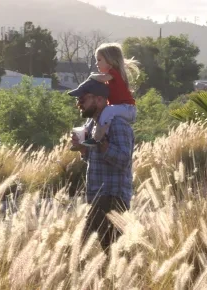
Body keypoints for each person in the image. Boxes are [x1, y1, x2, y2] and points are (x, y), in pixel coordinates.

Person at [68, 76, 135, 251]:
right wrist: (83, 150)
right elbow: (95, 160)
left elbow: (123, 160)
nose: (79, 104)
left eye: (82, 99)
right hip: (97, 196)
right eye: (77, 100)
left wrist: (101, 143)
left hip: (112, 197)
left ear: (99, 99)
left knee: (79, 248)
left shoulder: (118, 124)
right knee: (113, 251)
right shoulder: (91, 124)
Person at [80, 42, 140, 147]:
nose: (96, 64)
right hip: (123, 108)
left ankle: (97, 138)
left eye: (99, 60)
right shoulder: (112, 78)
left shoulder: (114, 73)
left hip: (127, 108)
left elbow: (102, 78)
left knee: (108, 110)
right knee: (107, 112)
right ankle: (103, 135)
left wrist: (92, 76)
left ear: (110, 60)